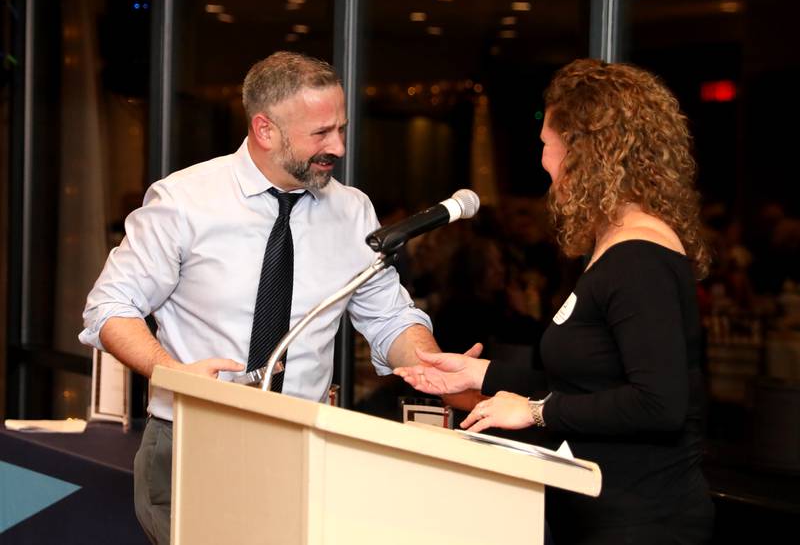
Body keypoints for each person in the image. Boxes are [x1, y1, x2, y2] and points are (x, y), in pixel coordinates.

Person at [79, 51, 445, 545]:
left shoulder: (353, 211)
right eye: (320, 133)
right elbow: (110, 307)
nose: (337, 146)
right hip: (193, 440)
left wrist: (428, 359)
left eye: (341, 128)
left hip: (302, 443)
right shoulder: (184, 201)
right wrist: (171, 371)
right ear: (265, 129)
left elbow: (388, 319)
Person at [395, 59, 715, 544]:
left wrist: (536, 410)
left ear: (586, 152)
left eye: (547, 144)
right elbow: (586, 384)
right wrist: (477, 374)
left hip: (643, 520)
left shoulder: (639, 258)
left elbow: (659, 404)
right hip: (599, 511)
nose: (543, 160)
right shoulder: (614, 245)